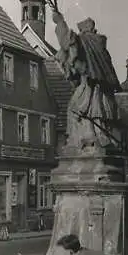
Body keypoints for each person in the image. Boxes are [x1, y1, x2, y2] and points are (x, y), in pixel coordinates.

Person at [52, 9, 122, 150]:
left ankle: (84, 139)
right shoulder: (99, 45)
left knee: (76, 109)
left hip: (89, 86)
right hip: (100, 90)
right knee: (95, 113)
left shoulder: (86, 41)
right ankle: (94, 136)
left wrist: (60, 22)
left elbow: (68, 41)